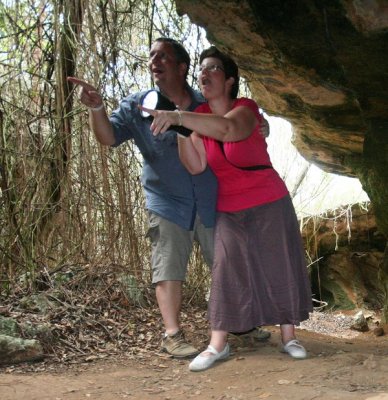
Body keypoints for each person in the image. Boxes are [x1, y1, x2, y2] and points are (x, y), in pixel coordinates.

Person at [67, 38, 270, 359]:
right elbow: (107, 137)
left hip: (210, 198)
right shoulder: (138, 106)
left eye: (163, 56)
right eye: (151, 56)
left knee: (226, 262)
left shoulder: (206, 101)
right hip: (166, 201)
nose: (154, 61)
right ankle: (173, 335)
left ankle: (242, 323)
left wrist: (261, 125)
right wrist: (96, 107)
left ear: (182, 66)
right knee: (168, 266)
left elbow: (234, 125)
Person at [141, 46, 313, 371]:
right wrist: (180, 130)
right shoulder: (198, 114)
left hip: (268, 201)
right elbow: (195, 165)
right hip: (229, 207)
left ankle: (289, 336)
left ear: (230, 80)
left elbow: (229, 129)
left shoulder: (246, 108)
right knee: (225, 270)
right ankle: (217, 344)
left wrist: (180, 117)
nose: (204, 74)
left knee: (278, 265)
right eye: (201, 69)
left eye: (213, 68)